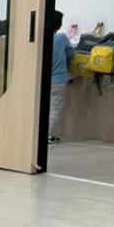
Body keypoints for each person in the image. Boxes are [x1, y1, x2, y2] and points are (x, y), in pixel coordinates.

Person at [49, 10, 74, 143]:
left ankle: (37, 134)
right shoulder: (62, 38)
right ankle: (49, 135)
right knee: (54, 107)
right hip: (58, 80)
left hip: (39, 81)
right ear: (58, 26)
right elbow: (71, 54)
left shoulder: (38, 39)